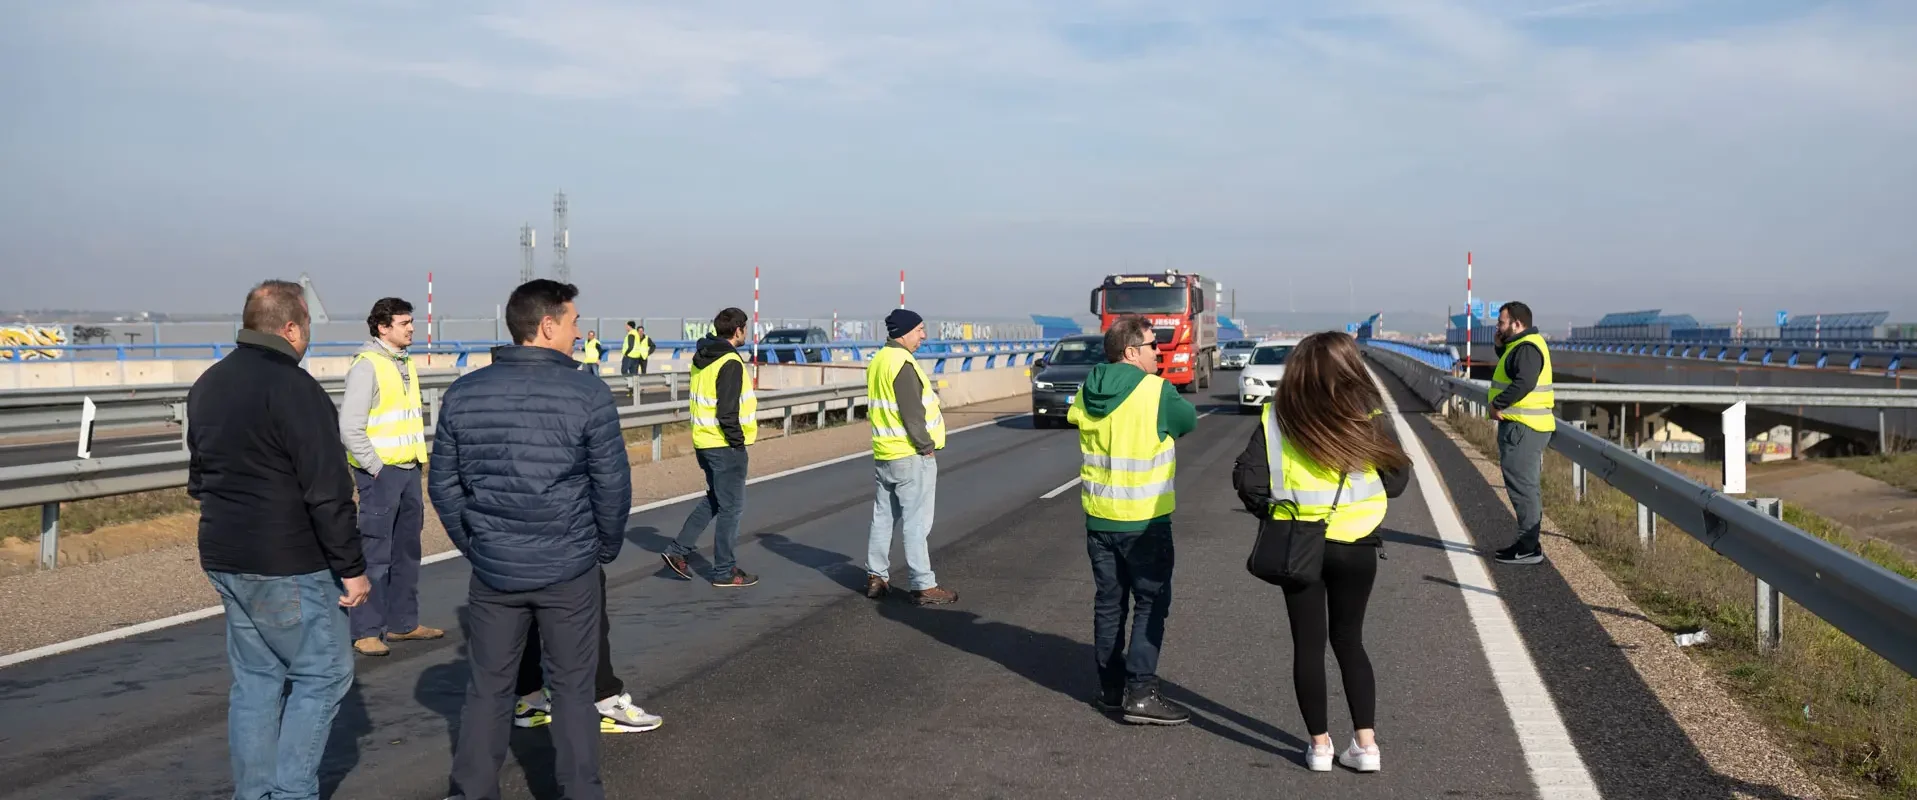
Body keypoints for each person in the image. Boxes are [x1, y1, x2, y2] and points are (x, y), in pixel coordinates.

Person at [430, 279, 632, 800]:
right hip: (568, 569)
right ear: (547, 326)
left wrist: (475, 544)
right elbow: (611, 485)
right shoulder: (587, 392)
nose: (579, 330)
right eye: (572, 321)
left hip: (495, 569)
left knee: (488, 690)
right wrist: (603, 547)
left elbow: (444, 485)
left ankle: (471, 791)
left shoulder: (464, 392)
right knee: (572, 690)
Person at [189, 279, 369, 800]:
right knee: (324, 674)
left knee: (257, 682)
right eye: (307, 325)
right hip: (288, 560)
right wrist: (352, 567)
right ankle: (292, 793)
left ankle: (255, 793)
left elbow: (199, 477)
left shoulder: (209, 382)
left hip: (225, 553)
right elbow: (328, 489)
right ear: (291, 327)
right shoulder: (296, 387)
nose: (307, 336)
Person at [1232, 331, 1409, 774]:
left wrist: (1275, 513)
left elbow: (1248, 481)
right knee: (1350, 640)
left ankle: (1319, 747)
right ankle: (1366, 747)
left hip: (1299, 545)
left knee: (1307, 646)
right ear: (1350, 368)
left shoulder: (1276, 418)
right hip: (1357, 545)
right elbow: (1397, 480)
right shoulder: (1367, 416)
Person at [1067, 315, 1198, 725]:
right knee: (1150, 603)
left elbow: (1077, 420)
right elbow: (1188, 421)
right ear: (1130, 352)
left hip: (1100, 518)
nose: (1158, 351)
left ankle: (1110, 690)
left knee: (1109, 605)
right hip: (1144, 522)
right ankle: (1140, 692)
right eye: (1151, 346)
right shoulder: (1154, 391)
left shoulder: (1088, 389)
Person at [339, 296, 444, 657]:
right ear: (383, 327)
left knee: (406, 552)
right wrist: (376, 468)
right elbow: (350, 427)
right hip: (381, 474)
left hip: (409, 469)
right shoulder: (368, 365)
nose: (412, 327)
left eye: (411, 321)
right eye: (404, 323)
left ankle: (402, 623)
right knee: (375, 553)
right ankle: (366, 629)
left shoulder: (403, 362)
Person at [862, 308, 958, 605]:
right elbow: (911, 412)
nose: (923, 335)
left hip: (885, 452)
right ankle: (923, 584)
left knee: (883, 517)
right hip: (910, 453)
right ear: (903, 332)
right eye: (919, 330)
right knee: (917, 522)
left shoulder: (879, 359)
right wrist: (925, 445)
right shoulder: (902, 363)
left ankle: (877, 576)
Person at [660, 308, 760, 587]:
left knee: (716, 499)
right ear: (738, 329)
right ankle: (724, 571)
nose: (746, 333)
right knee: (732, 508)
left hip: (703, 441)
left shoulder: (702, 357)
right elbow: (727, 410)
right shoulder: (730, 361)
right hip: (724, 445)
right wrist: (738, 443)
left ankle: (678, 551)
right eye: (745, 328)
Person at [1488, 301, 1554, 565]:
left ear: (1517, 324)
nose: (1497, 326)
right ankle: (1528, 543)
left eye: (1501, 323)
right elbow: (1511, 367)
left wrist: (1497, 404)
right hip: (1525, 427)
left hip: (1522, 427)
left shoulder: (1527, 349)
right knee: (1526, 486)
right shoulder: (1523, 345)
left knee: (1523, 488)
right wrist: (1499, 343)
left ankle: (1527, 547)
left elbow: (1524, 381)